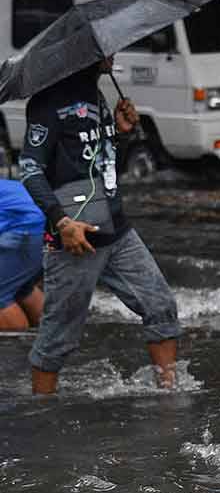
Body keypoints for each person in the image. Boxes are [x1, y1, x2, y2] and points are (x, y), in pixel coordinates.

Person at [19, 57, 181, 395]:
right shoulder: (49, 103)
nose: (113, 56)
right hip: (75, 239)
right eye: (105, 51)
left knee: (161, 306)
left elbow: (100, 168)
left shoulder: (98, 95)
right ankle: (38, 415)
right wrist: (61, 222)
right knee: (57, 338)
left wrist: (119, 135)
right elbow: (30, 169)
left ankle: (170, 396)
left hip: (118, 232)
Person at [0, 179, 44, 330]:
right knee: (21, 287)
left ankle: (16, 347)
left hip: (24, 231)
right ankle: (52, 338)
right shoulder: (7, 184)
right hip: (43, 231)